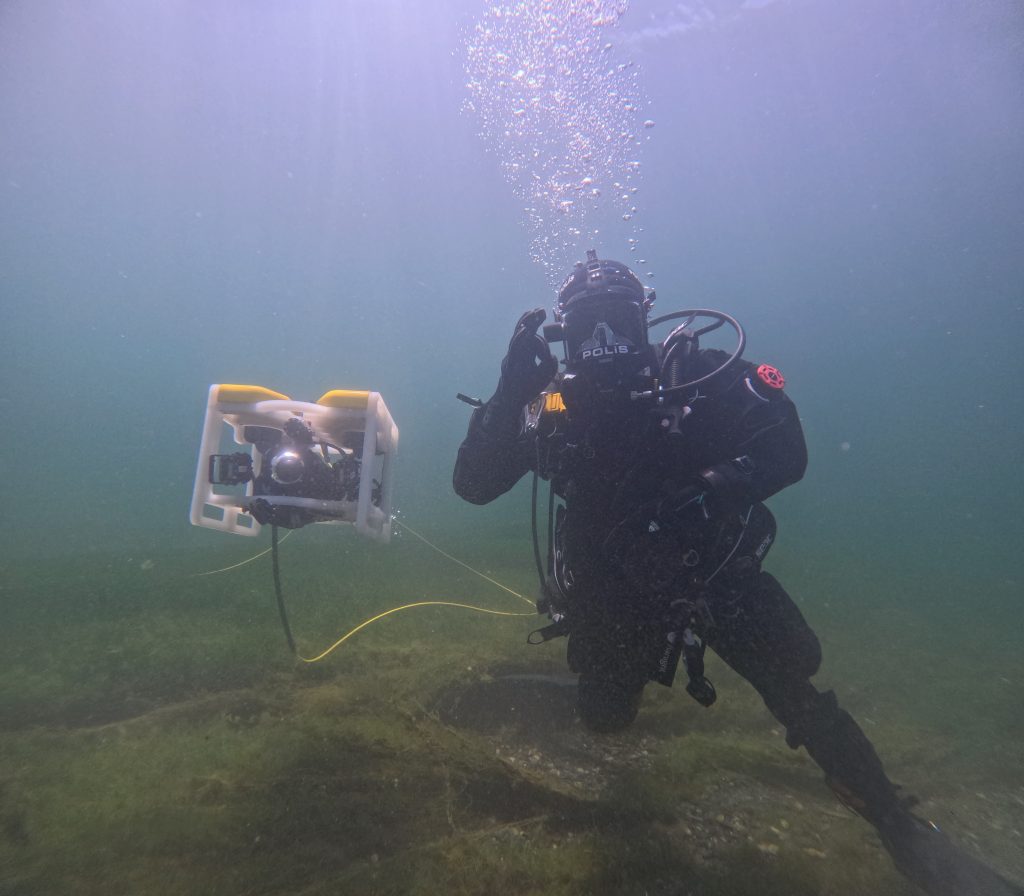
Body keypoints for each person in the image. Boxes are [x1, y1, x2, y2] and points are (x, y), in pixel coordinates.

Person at [452, 251, 1022, 896]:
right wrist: (508, 393)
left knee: (799, 694)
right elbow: (473, 486)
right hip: (612, 587)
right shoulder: (552, 401)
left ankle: (899, 827)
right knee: (607, 719)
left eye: (616, 320)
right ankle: (587, 690)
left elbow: (785, 445)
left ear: (644, 318)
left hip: (713, 567)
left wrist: (709, 490)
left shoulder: (694, 373)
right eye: (588, 326)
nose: (605, 341)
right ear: (564, 334)